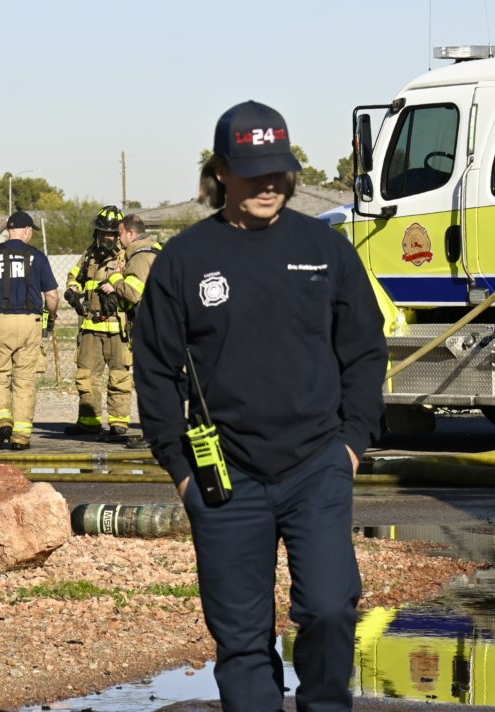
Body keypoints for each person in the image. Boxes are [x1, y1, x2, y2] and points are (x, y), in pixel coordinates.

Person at [134, 100, 389, 712]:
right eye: (253, 172)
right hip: (223, 478)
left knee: (329, 608)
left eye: (278, 170)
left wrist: (351, 444)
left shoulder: (325, 249)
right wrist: (181, 471)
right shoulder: (184, 260)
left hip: (317, 466)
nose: (269, 184)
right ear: (221, 171)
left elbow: (364, 350)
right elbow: (155, 371)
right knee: (243, 637)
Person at [0, 210, 59, 451]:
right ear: (26, 230)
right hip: (30, 324)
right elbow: (52, 295)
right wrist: (50, 318)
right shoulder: (38, 257)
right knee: (25, 380)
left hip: (0, 323)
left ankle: (1, 422)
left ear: (9, 230)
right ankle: (21, 437)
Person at [63, 205, 134, 440]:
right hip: (90, 327)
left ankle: (119, 424)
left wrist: (117, 293)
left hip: (118, 328)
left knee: (119, 378)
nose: (108, 238)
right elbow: (74, 277)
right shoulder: (89, 255)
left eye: (112, 234)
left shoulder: (127, 256)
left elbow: (136, 287)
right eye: (104, 233)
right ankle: (89, 422)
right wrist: (73, 292)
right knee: (85, 377)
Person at [98, 213, 163, 448]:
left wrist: (116, 279)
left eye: (120, 233)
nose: (118, 238)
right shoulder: (155, 249)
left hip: (151, 327)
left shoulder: (140, 255)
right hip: (161, 325)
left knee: (152, 382)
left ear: (131, 233)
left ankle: (155, 435)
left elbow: (134, 292)